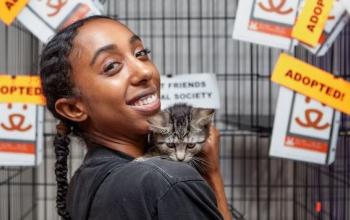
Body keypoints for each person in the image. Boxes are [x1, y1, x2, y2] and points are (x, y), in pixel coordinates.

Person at [39, 15, 232, 220]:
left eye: (141, 53)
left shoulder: (83, 178)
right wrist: (212, 174)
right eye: (112, 66)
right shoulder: (169, 182)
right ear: (72, 108)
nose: (144, 71)